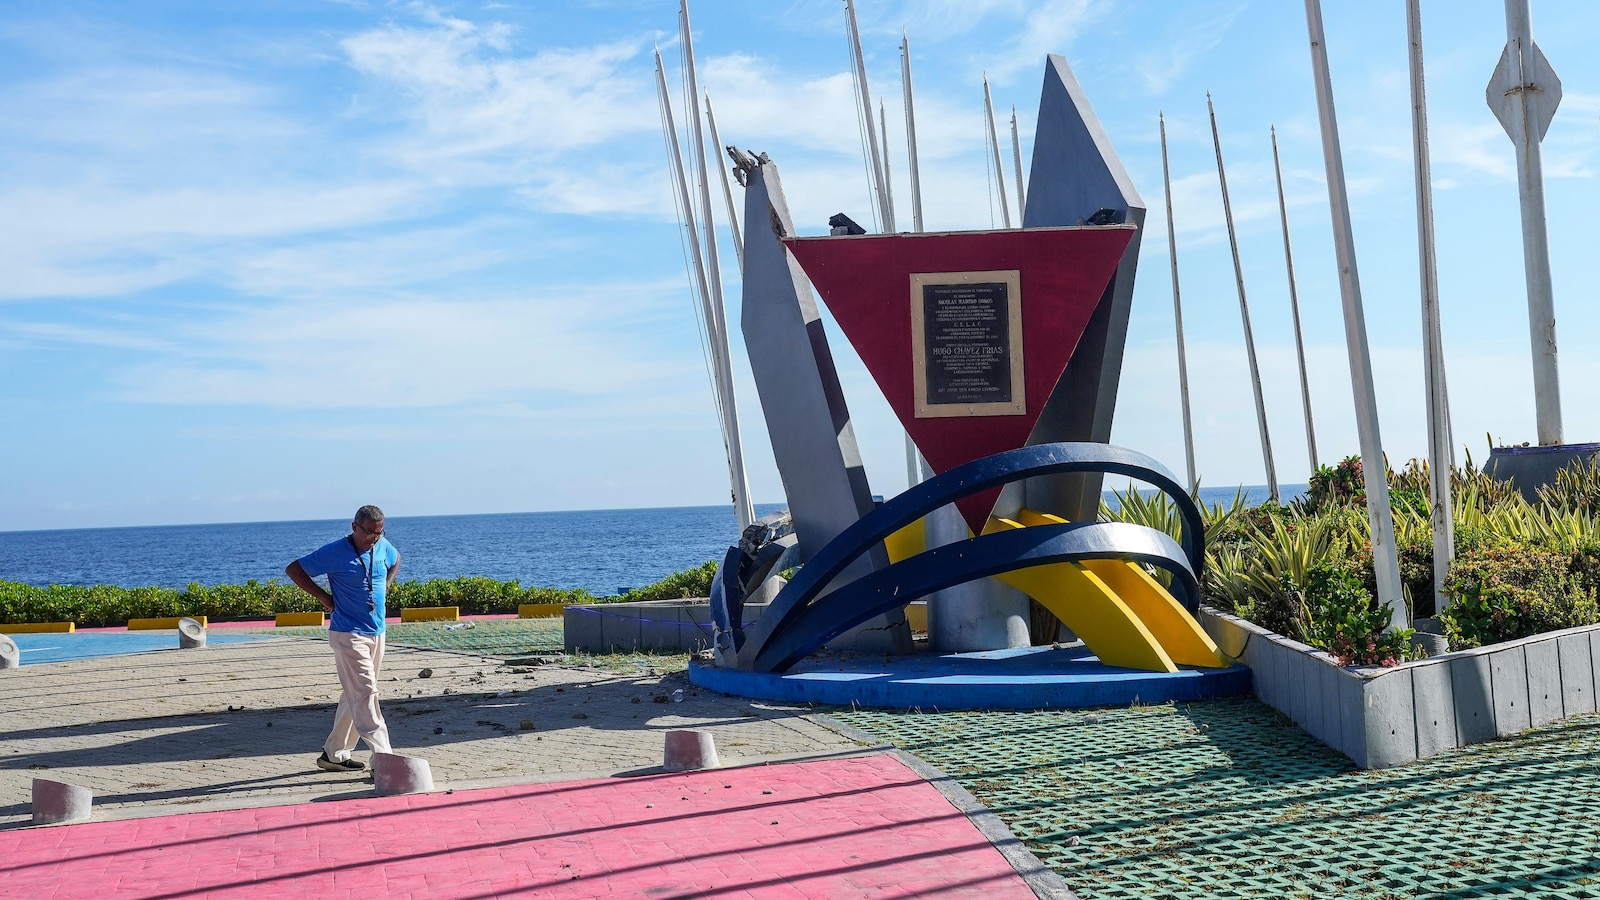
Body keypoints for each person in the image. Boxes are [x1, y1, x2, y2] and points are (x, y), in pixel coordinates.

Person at [285, 504, 401, 772]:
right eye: (369, 532)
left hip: (377, 632)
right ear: (354, 527)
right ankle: (385, 759)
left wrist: (388, 582)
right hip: (348, 634)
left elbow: (396, 559)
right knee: (366, 692)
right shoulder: (335, 551)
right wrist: (324, 597)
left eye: (379, 533)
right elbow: (294, 570)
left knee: (355, 695)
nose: (374, 538)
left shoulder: (383, 546)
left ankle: (333, 754)